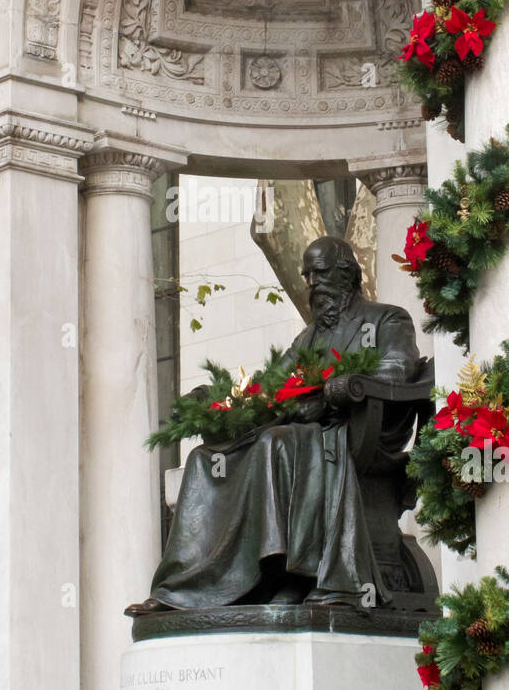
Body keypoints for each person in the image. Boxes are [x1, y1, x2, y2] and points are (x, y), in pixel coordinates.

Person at [125, 236, 422, 615]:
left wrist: (334, 395)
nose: (312, 284)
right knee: (205, 459)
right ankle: (188, 587)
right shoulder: (310, 335)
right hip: (303, 433)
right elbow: (271, 389)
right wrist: (222, 404)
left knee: (275, 443)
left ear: (346, 271)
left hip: (353, 435)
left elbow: (399, 369)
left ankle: (288, 575)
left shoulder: (386, 318)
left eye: (320, 273)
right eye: (308, 276)